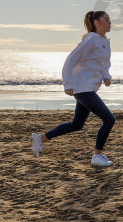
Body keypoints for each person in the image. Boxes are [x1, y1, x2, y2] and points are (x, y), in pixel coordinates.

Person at [31, 10, 116, 167]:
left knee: (77, 125)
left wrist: (107, 75)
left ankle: (40, 138)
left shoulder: (105, 41)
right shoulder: (90, 40)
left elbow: (105, 63)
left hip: (89, 87)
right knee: (109, 119)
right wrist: (68, 84)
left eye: (110, 20)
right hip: (82, 87)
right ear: (96, 23)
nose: (110, 22)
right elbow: (70, 60)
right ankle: (97, 156)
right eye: (106, 20)